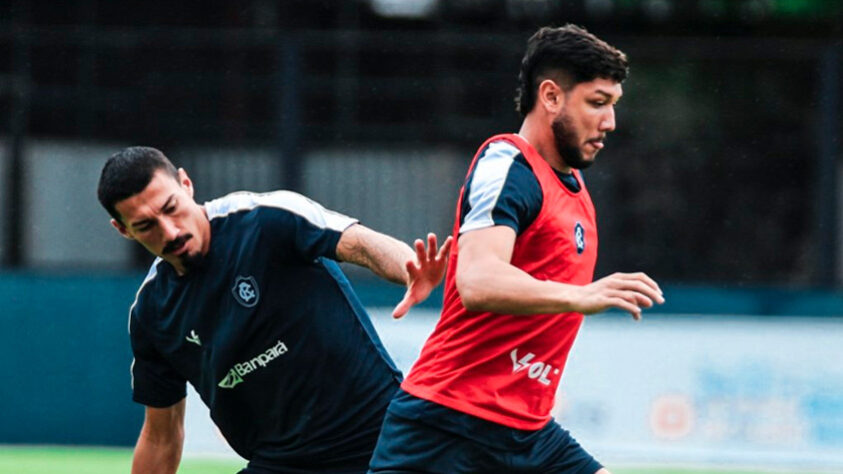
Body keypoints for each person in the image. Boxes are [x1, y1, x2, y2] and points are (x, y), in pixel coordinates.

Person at [368, 24, 664, 474]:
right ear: (550, 97)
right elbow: (477, 281)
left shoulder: (576, 190)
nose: (610, 122)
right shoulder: (507, 165)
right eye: (598, 103)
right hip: (447, 429)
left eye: (613, 106)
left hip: (527, 434)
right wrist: (579, 296)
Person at [96, 146, 451, 474]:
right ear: (123, 230)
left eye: (171, 208)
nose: (170, 231)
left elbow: (359, 244)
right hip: (282, 464)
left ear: (186, 184)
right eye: (146, 225)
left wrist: (407, 268)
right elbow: (161, 436)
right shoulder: (151, 314)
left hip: (378, 442)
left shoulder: (265, 219)